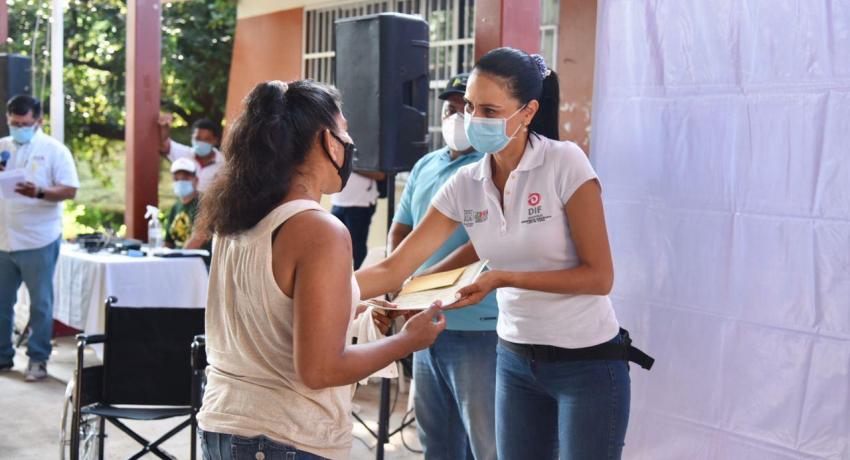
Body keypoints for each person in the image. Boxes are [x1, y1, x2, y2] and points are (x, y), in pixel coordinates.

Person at [356, 48, 635, 459]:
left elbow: (599, 278)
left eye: (489, 109)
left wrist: (503, 278)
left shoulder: (564, 163)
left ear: (527, 111)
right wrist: (345, 291)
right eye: (470, 106)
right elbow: (397, 265)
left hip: (586, 363)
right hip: (515, 359)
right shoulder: (466, 183)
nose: (473, 119)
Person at [194, 80, 446, 460]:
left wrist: (356, 311)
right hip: (284, 437)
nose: (349, 143)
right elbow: (321, 369)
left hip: (223, 426)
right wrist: (406, 342)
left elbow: (280, 309)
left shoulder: (235, 221)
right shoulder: (318, 229)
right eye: (344, 131)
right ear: (327, 140)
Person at [388, 73, 498, 460]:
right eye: (450, 107)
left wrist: (425, 283)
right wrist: (399, 285)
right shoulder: (426, 165)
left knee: (487, 443)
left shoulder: (489, 168)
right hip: (425, 325)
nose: (457, 116)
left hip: (477, 327)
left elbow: (483, 243)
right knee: (437, 442)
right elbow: (401, 228)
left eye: (466, 109)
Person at [0, 95, 79, 381]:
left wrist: (40, 192)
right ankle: (2, 356)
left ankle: (38, 358)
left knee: (40, 304)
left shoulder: (54, 150)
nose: (18, 128)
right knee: (1, 303)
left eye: (24, 123)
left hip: (38, 239)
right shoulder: (3, 147)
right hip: (3, 239)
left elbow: (70, 190)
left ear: (38, 121)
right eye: (13, 123)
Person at [330, 169, 386, 269]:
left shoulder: (368, 153)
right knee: (335, 247)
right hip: (337, 202)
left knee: (357, 248)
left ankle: (357, 279)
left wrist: (351, 166)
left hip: (361, 203)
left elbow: (381, 175)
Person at [158, 114, 224, 192]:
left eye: (207, 139)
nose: (202, 142)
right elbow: (163, 145)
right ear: (192, 138)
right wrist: (164, 133)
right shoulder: (184, 154)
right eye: (198, 138)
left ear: (215, 140)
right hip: (185, 202)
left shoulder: (224, 163)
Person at [163, 157, 209, 250]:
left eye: (185, 178)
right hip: (178, 260)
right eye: (177, 179)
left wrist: (180, 256)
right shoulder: (175, 207)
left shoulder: (204, 203)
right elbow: (168, 242)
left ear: (196, 180)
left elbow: (200, 237)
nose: (180, 182)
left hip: (198, 262)